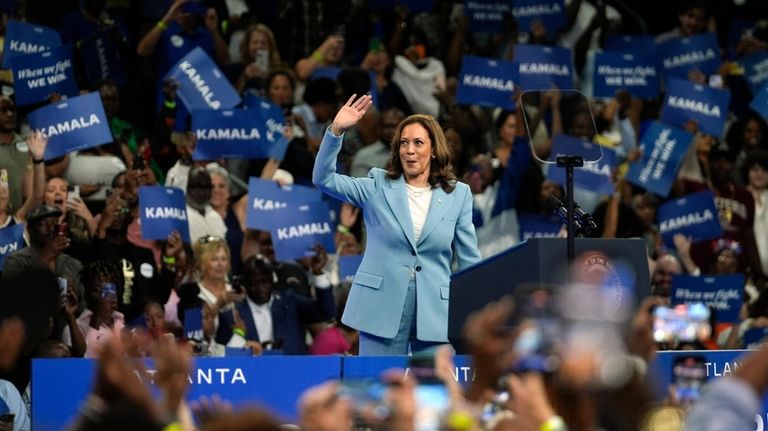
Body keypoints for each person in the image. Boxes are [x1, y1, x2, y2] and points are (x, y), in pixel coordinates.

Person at [312, 94, 481, 355]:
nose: (409, 150)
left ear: (434, 149)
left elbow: (470, 261)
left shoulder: (459, 195)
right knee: (378, 388)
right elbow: (323, 179)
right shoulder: (377, 186)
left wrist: (472, 312)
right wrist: (336, 130)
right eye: (404, 143)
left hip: (436, 313)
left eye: (418, 143)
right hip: (381, 308)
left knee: (434, 392)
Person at [217, 255, 335, 355]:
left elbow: (326, 312)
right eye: (254, 283)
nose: (260, 288)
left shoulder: (290, 303)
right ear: (244, 283)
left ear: (272, 281)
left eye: (265, 282)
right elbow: (225, 358)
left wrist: (318, 273)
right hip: (253, 377)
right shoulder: (232, 316)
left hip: (292, 374)